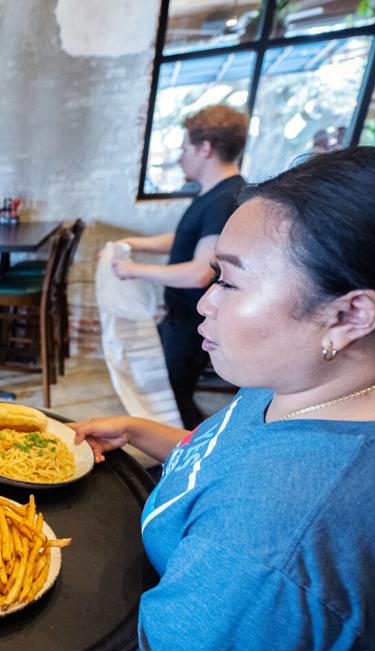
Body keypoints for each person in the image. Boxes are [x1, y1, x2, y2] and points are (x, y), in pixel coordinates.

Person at [72, 146, 375, 651]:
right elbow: (243, 452)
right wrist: (155, 436)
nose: (202, 301)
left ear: (352, 314)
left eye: (230, 282)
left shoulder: (284, 528)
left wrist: (34, 618)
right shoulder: (324, 380)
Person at [113, 104, 249, 428]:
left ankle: (192, 456)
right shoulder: (213, 194)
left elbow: (200, 272)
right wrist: (137, 243)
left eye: (185, 147)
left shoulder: (223, 199)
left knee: (174, 397)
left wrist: (133, 269)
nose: (179, 157)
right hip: (180, 318)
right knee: (165, 390)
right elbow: (185, 238)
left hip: (190, 322)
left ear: (205, 148)